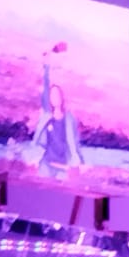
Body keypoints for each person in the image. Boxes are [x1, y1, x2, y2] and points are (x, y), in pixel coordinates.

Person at [32, 49, 83, 177]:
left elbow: (74, 141)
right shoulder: (47, 116)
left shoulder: (69, 119)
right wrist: (46, 65)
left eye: (57, 95)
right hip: (46, 164)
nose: (54, 98)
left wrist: (78, 160)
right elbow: (45, 86)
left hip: (62, 166)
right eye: (52, 95)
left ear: (61, 97)